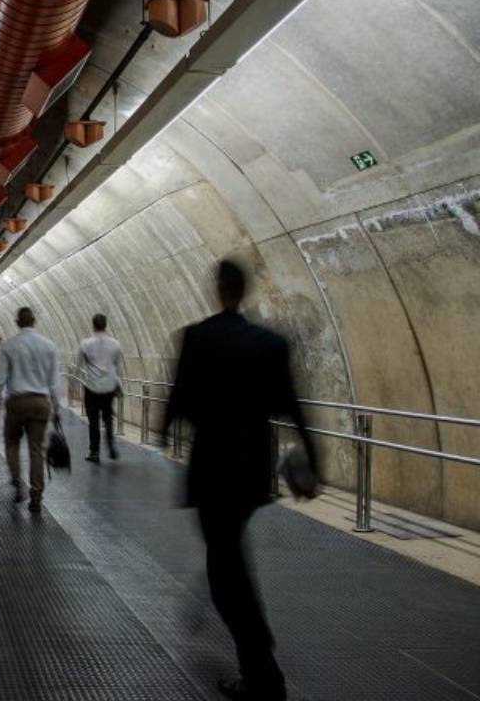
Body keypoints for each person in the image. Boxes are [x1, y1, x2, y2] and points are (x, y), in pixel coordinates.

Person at [163, 259, 319, 701]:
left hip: (213, 471)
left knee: (225, 571)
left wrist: (164, 432)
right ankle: (258, 660)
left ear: (218, 289)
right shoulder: (269, 344)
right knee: (228, 554)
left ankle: (262, 671)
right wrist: (313, 457)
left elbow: (181, 401)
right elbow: (290, 403)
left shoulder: (197, 338)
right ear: (244, 290)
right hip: (252, 473)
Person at [0, 307, 62, 513]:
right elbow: (55, 381)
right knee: (36, 451)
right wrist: (57, 408)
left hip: (17, 402)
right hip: (41, 403)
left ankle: (17, 482)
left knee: (11, 443)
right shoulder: (49, 346)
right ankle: (36, 497)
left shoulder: (9, 346)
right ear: (34, 321)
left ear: (17, 322)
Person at [79, 313, 125, 463]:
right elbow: (118, 369)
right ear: (106, 325)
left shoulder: (85, 344)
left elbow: (78, 365)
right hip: (109, 387)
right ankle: (111, 444)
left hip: (92, 387)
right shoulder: (116, 344)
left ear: (93, 325)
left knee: (93, 421)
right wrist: (119, 386)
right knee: (108, 417)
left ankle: (94, 452)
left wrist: (74, 385)